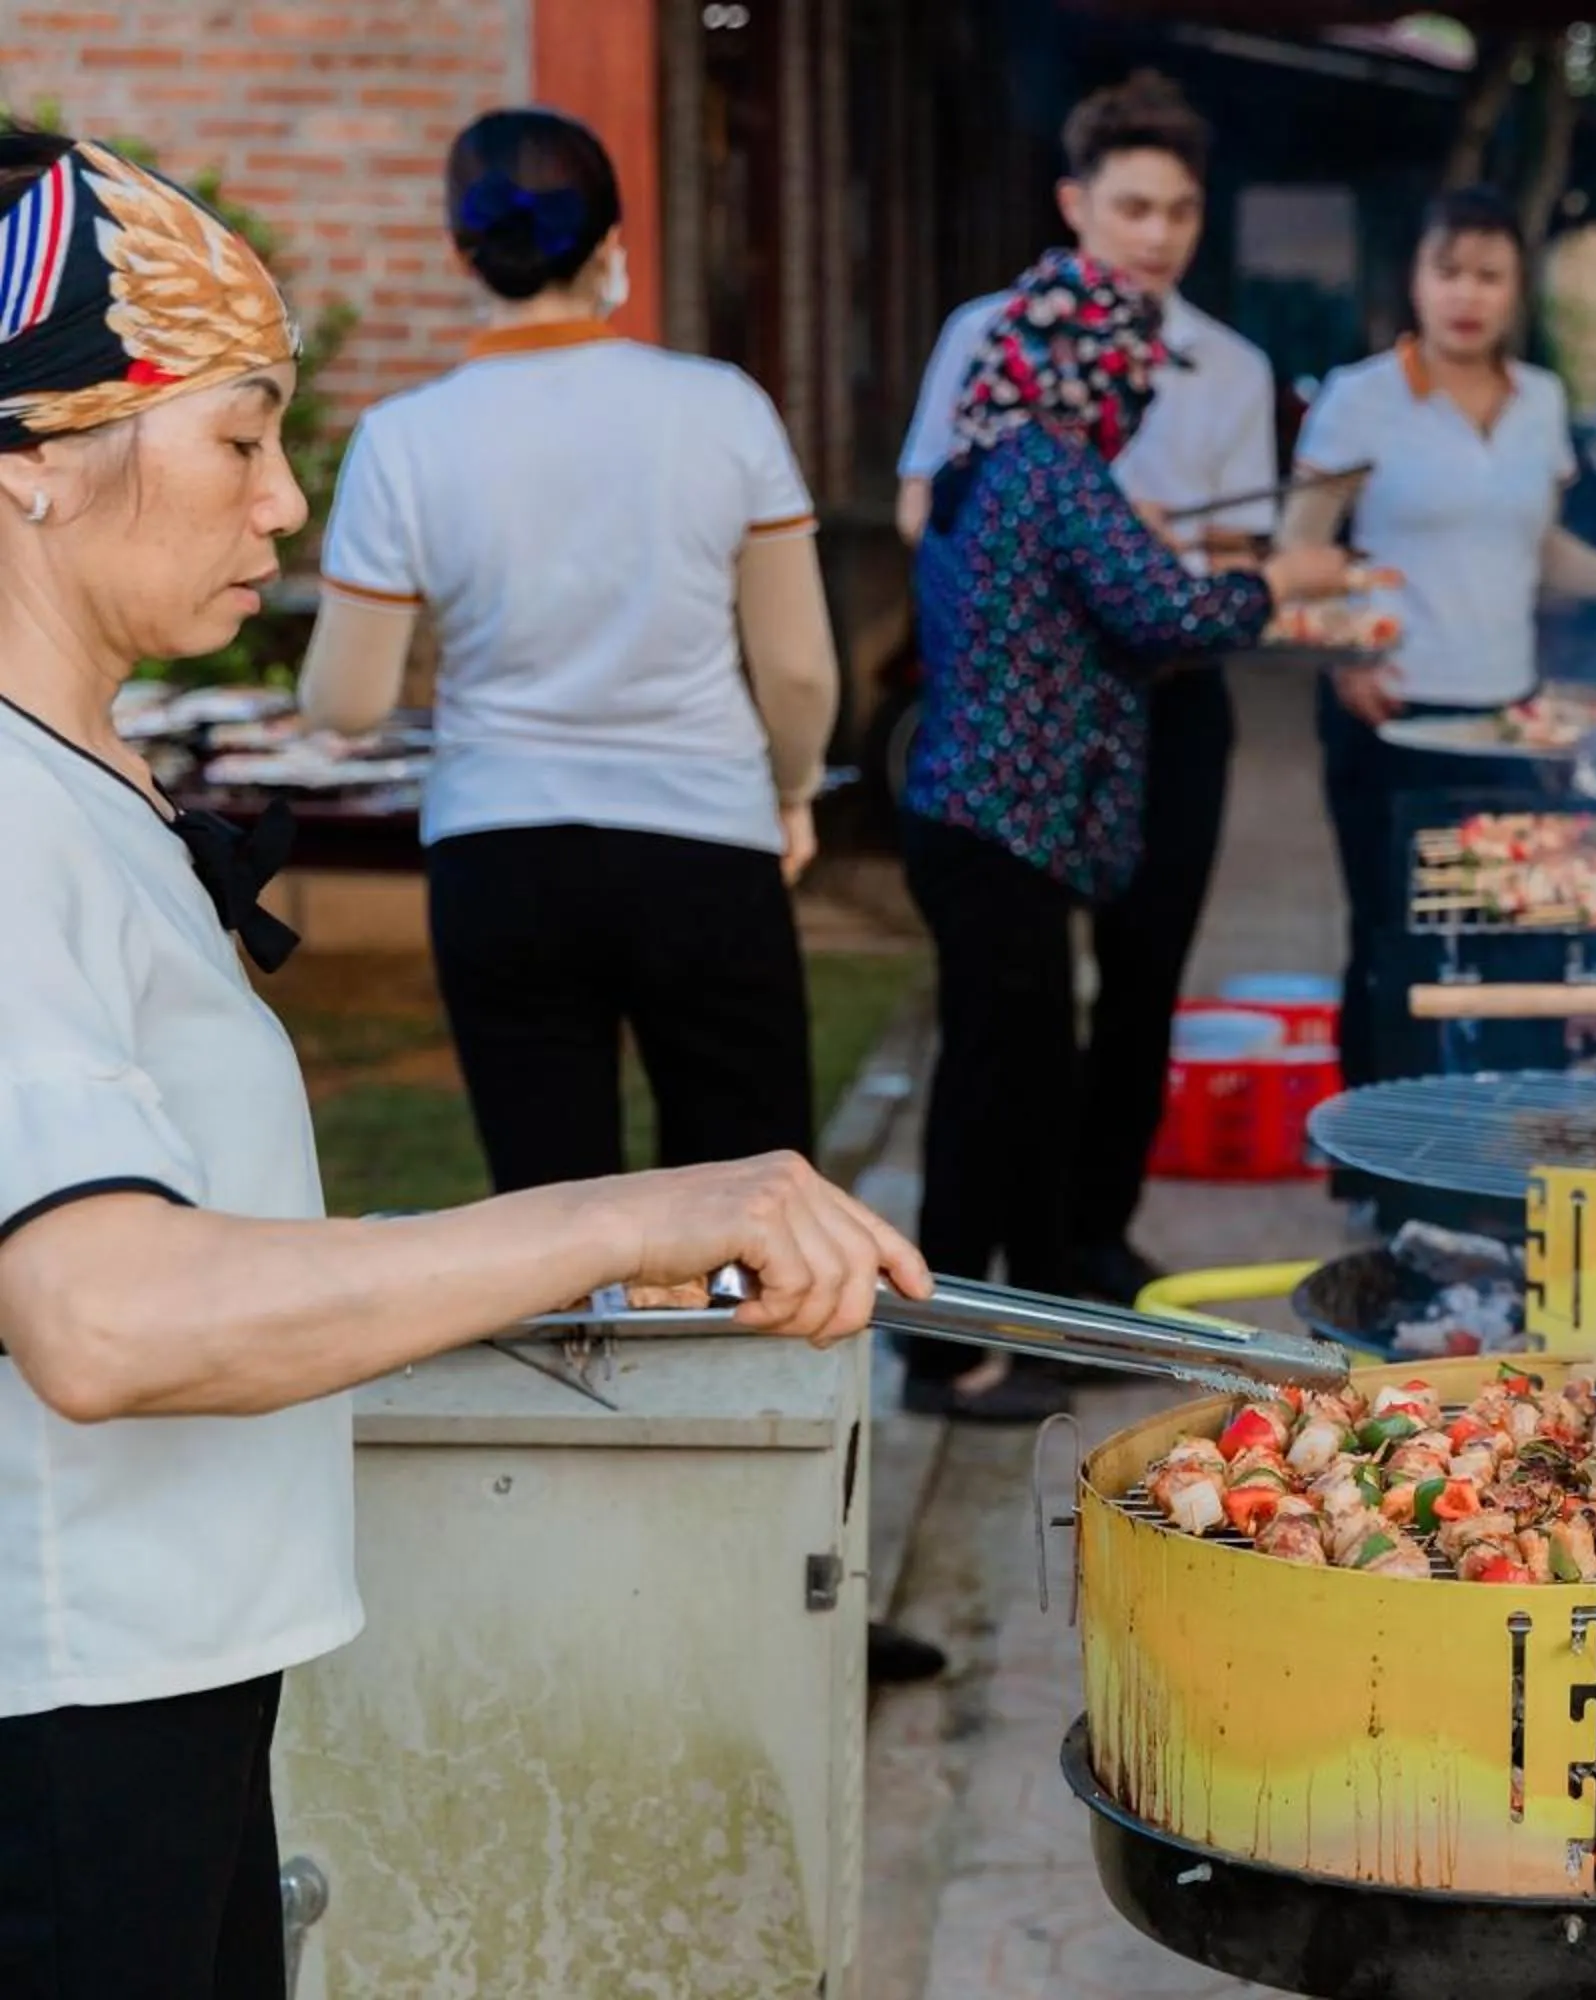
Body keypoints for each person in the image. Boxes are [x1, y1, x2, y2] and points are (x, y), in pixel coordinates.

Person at [0, 129, 924, 1999]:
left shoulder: (75, 782)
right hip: (62, 1718)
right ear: (34, 460)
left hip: (148, 1680)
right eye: (240, 441)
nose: (283, 509)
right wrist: (625, 1209)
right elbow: (103, 1315)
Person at [297, 110, 951, 1688]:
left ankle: (582, 1608)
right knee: (769, 1236)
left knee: (550, 1223)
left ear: (462, 254)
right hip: (702, 848)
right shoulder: (715, 405)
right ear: (616, 250)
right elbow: (798, 668)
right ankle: (797, 1600)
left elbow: (345, 695)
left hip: (500, 856)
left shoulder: (405, 436)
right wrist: (793, 788)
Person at [896, 248, 1351, 1423]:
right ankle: (944, 1356)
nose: (1136, 400)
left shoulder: (977, 463)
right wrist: (1281, 578)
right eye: (1128, 376)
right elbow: (1165, 609)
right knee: (993, 1090)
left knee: (1022, 1084)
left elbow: (1088, 589)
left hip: (977, 823)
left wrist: (1133, 534)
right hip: (1002, 829)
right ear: (1086, 368)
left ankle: (1033, 1321)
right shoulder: (1050, 469)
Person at [896, 73, 1274, 1309]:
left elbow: (1242, 555)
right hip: (1038, 713)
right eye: (1132, 205)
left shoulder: (1230, 364)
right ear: (1076, 204)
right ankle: (1011, 1275)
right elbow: (926, 504)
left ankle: (1084, 1245)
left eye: (1180, 209)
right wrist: (1105, 532)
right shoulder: (1001, 337)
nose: (1157, 233)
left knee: (1140, 978)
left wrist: (1142, 547)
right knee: (1016, 1019)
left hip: (1162, 699)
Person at [1283, 186, 1596, 1090]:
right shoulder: (1361, 401)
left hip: (1510, 721)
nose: (1466, 295)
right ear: (1417, 281)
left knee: (1519, 937)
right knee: (1394, 939)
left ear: (1516, 290)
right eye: (1448, 272)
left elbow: (1537, 546)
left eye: (1488, 275)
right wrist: (1340, 657)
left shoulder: (1540, 403)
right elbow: (1298, 551)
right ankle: (1382, 1168)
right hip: (1390, 716)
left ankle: (1500, 1150)